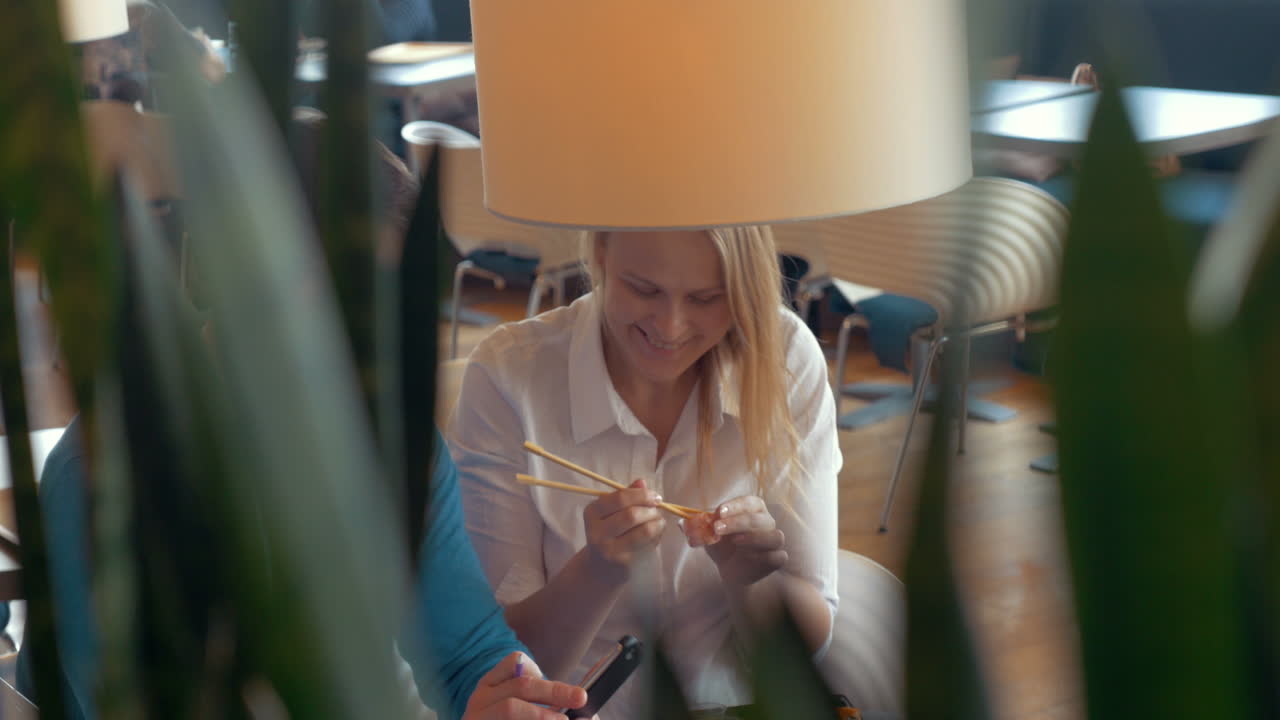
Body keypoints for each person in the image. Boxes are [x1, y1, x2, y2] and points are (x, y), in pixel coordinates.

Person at [451, 228, 841, 718]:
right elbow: (499, 669)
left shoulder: (784, 357)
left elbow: (810, 651)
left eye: (706, 298)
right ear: (599, 254)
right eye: (643, 289)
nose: (671, 326)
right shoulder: (510, 374)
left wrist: (753, 581)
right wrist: (596, 570)